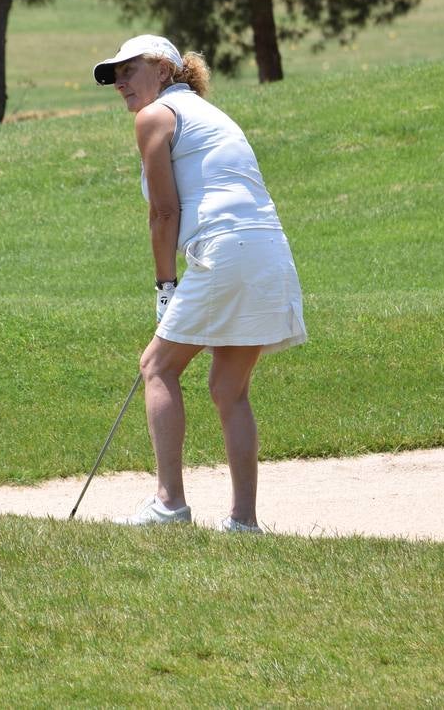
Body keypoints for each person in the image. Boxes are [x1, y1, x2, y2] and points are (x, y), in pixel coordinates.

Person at [92, 34, 306, 532]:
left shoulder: (155, 116)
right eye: (114, 75)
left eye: (130, 69)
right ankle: (243, 522)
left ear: (164, 71)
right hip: (268, 250)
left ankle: (169, 504)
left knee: (157, 366)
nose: (120, 81)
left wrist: (164, 288)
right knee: (228, 387)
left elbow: (164, 213)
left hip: (226, 248)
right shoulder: (213, 115)